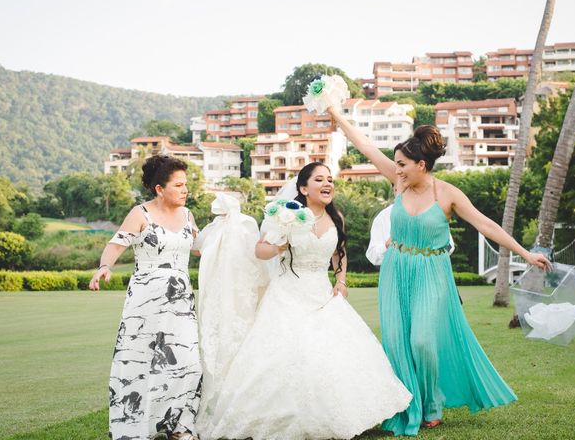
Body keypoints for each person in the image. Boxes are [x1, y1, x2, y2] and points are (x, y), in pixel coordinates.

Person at [327, 106, 551, 436]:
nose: (397, 170)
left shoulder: (447, 194)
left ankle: (432, 403)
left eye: (403, 164)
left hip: (432, 272)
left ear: (422, 164)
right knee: (396, 341)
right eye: (396, 164)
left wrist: (525, 254)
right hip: (396, 270)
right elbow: (365, 146)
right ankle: (405, 404)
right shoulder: (399, 181)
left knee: (420, 341)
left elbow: (486, 225)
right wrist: (336, 112)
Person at [195, 162, 412, 440]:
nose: (327, 184)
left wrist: (341, 282)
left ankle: (335, 413)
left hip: (322, 294)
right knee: (288, 354)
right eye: (319, 179)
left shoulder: (337, 218)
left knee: (329, 354)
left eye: (330, 180)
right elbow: (260, 251)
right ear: (303, 188)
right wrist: (279, 246)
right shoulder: (285, 215)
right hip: (287, 294)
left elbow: (339, 254)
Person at [90, 155, 202, 440]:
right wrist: (105, 267)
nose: (185, 189)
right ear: (159, 189)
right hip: (146, 299)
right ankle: (135, 425)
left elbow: (200, 248)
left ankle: (179, 425)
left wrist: (230, 233)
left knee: (187, 362)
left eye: (185, 184)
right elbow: (115, 245)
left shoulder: (188, 215)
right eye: (178, 185)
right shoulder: (141, 214)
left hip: (180, 300)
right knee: (140, 362)